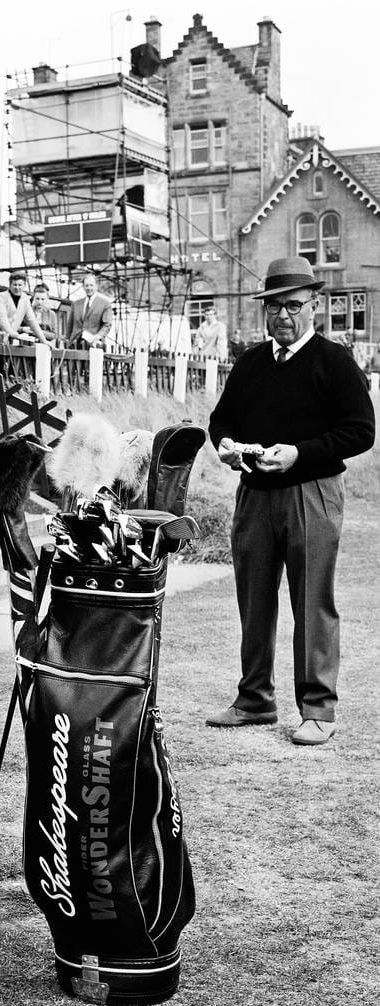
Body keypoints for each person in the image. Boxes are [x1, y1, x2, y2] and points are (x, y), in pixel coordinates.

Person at [208, 256, 374, 747]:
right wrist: (226, 445)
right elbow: (221, 419)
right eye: (274, 306)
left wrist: (300, 453)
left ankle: (318, 708)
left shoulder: (334, 361)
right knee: (254, 601)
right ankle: (255, 699)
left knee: (312, 601)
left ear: (314, 306)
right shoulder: (250, 363)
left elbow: (360, 432)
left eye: (294, 305)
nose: (283, 315)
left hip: (312, 494)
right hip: (254, 496)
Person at [0, 270, 49, 345]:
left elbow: (32, 321)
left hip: (11, 339)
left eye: (20, 285)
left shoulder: (25, 299)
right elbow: (2, 318)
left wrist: (43, 340)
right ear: (10, 285)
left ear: (24, 285)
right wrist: (11, 332)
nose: (17, 287)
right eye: (14, 284)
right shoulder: (1, 297)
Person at [67, 273, 113, 349]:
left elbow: (107, 325)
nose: (89, 288)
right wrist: (67, 341)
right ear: (83, 287)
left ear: (96, 286)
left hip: (94, 345)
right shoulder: (75, 304)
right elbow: (69, 326)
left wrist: (98, 336)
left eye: (91, 285)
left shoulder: (105, 304)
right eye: (86, 285)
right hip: (75, 344)